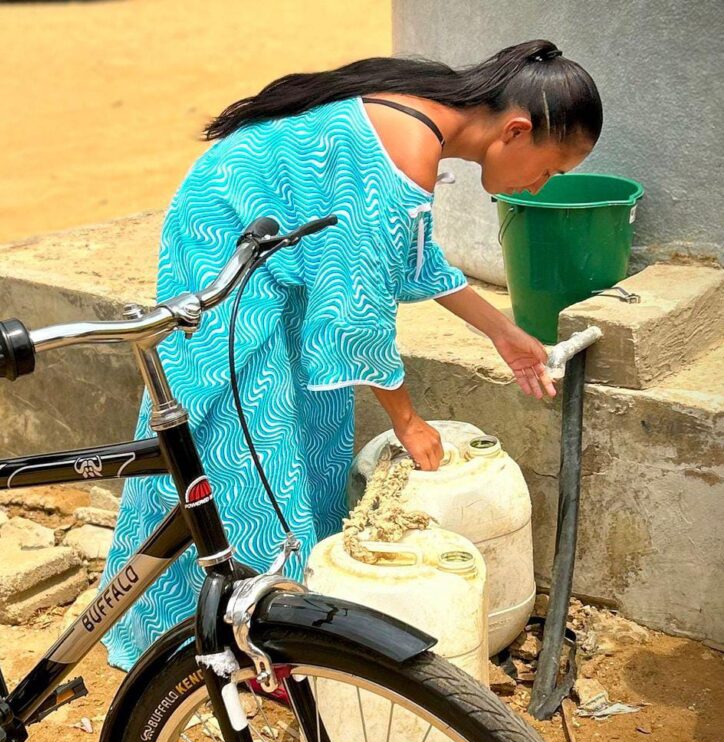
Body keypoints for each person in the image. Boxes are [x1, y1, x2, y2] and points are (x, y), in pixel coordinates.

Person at [101, 39, 602, 670]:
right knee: (243, 432)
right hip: (227, 241)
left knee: (314, 424)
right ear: (517, 130)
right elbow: (353, 318)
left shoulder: (432, 115)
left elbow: (409, 251)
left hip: (279, 249)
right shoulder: (408, 150)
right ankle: (241, 639)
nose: (540, 185)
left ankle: (244, 621)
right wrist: (407, 420)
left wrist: (500, 332)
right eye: (551, 169)